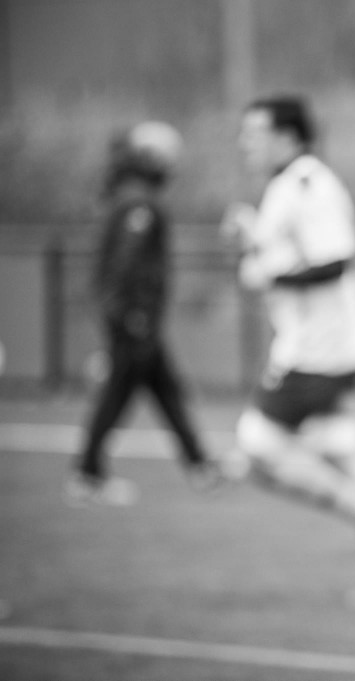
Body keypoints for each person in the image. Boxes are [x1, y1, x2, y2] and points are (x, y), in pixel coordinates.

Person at [223, 95, 355, 605]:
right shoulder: (289, 185)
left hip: (319, 354)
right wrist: (254, 241)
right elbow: (290, 254)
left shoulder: (308, 185)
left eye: (255, 133)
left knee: (257, 448)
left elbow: (333, 261)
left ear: (288, 136)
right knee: (340, 452)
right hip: (326, 347)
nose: (246, 143)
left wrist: (266, 270)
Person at [65, 121, 218, 507]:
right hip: (134, 318)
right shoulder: (139, 203)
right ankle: (87, 473)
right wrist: (132, 315)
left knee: (165, 390)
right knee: (118, 394)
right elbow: (126, 264)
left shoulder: (130, 195)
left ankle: (200, 464)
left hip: (135, 317)